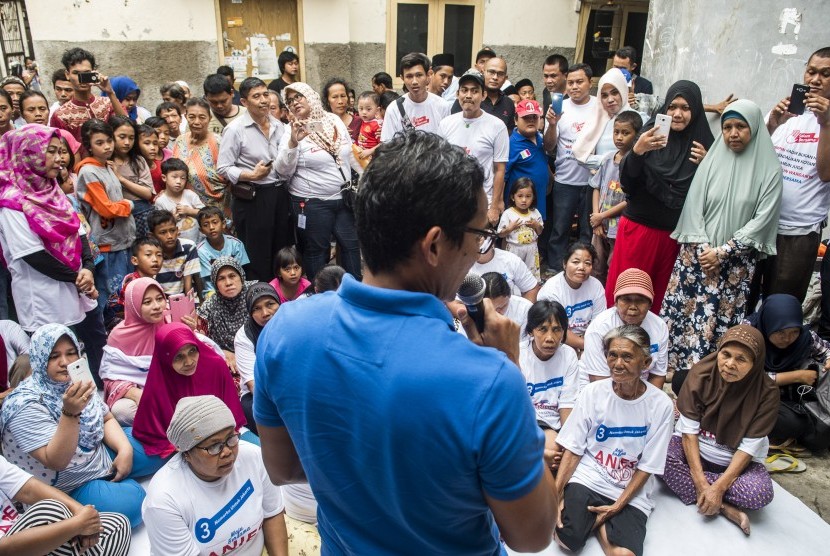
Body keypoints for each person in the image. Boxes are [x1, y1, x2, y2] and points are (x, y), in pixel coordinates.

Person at [254, 131, 557, 554]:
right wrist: (509, 363)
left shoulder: (284, 332)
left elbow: (283, 468)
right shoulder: (489, 382)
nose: (478, 250)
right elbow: (533, 535)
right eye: (479, 235)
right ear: (434, 244)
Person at [662, 99, 783, 379]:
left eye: (741, 126)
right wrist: (706, 250)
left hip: (734, 266)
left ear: (754, 128)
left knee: (719, 319)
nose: (733, 133)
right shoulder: (713, 161)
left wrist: (724, 252)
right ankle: (676, 374)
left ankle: (709, 376)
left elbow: (762, 219)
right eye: (727, 127)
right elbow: (694, 207)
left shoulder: (770, 170)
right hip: (697, 258)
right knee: (686, 314)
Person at [0, 324, 163, 527]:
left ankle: (111, 479)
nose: (65, 362)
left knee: (159, 445)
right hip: (67, 485)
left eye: (71, 353)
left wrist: (124, 450)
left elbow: (106, 418)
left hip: (96, 454)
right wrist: (70, 412)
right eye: (53, 356)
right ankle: (104, 489)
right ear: (39, 358)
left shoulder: (75, 379)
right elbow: (56, 460)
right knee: (136, 503)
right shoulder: (22, 406)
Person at [0, 125, 107, 381]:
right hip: (44, 296)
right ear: (28, 154)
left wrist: (88, 269)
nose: (60, 158)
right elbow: (32, 255)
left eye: (62, 152)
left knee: (87, 347)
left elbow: (79, 230)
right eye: (51, 151)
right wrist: (78, 277)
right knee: (55, 359)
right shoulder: (12, 202)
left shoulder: (53, 189)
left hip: (77, 286)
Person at [555, 324, 673, 556]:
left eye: (627, 356)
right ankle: (594, 521)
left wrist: (617, 506)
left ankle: (598, 523)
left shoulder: (661, 405)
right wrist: (555, 495)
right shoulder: (593, 392)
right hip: (590, 477)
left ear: (646, 363)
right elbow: (574, 448)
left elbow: (647, 465)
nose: (618, 364)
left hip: (628, 487)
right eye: (613, 355)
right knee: (567, 540)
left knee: (625, 555)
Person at [605, 80, 714, 312]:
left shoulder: (704, 145)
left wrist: (709, 165)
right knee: (627, 294)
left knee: (659, 298)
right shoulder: (649, 134)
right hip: (638, 231)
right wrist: (637, 152)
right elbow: (627, 183)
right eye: (672, 107)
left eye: (685, 108)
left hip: (675, 238)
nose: (677, 114)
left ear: (695, 111)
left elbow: (713, 195)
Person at [663, 325, 778, 536]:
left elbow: (747, 450)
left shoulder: (767, 394)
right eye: (725, 354)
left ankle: (712, 496)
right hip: (694, 454)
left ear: (755, 363)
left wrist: (719, 487)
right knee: (659, 459)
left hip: (735, 464)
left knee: (759, 494)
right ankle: (725, 508)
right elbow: (688, 434)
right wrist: (699, 480)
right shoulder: (701, 375)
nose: (730, 364)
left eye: (741, 359)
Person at [143, 395, 288, 555]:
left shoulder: (252, 456)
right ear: (187, 453)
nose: (227, 451)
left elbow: (272, 515)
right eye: (213, 446)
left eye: (231, 438)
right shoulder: (164, 500)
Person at [758, 46, 830, 303]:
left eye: (825, 73)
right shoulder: (788, 110)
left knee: (780, 306)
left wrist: (826, 122)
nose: (815, 80)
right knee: (746, 297)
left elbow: (825, 173)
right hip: (760, 224)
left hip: (798, 233)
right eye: (811, 71)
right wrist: (772, 124)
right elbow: (753, 160)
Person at [278, 82, 362, 281]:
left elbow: (349, 153)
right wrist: (293, 142)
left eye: (299, 96)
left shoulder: (333, 120)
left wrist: (367, 177)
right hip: (312, 203)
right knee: (317, 250)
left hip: (343, 198)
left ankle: (354, 292)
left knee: (351, 244)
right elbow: (282, 171)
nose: (295, 102)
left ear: (311, 96)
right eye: (290, 101)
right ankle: (320, 295)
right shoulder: (290, 131)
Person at [132, 323, 249, 458]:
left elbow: (232, 413)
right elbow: (150, 432)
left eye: (192, 351)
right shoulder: (159, 383)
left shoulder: (215, 366)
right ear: (165, 357)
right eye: (179, 357)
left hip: (223, 435)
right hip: (180, 447)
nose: (189, 362)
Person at [218, 77, 290, 282]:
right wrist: (251, 175)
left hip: (279, 193)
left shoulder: (279, 126)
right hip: (253, 197)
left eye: (265, 94)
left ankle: (280, 295)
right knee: (257, 252)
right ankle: (259, 297)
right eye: (256, 96)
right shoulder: (235, 129)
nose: (263, 100)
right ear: (244, 102)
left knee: (280, 248)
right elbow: (223, 167)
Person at [0, 452, 131, 555]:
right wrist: (77, 526)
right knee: (50, 511)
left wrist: (83, 515)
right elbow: (4, 550)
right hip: (12, 546)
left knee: (118, 523)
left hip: (24, 532)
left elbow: (29, 489)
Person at [747, 294, 830, 452]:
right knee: (792, 424)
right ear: (769, 324)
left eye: (793, 332)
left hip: (786, 400)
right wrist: (797, 376)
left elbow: (826, 350)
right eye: (780, 332)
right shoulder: (750, 334)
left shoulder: (805, 337)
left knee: (813, 428)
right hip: (750, 396)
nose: (787, 339)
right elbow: (746, 377)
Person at [75, 118, 136, 323]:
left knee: (122, 290)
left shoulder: (106, 167)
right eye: (99, 143)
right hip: (107, 243)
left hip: (121, 239)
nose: (107, 146)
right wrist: (128, 205)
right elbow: (106, 209)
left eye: (109, 140)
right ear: (89, 146)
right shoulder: (89, 171)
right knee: (107, 293)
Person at [438, 69, 509, 225]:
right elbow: (441, 165)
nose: (468, 95)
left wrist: (495, 206)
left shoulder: (497, 126)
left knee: (480, 246)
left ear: (483, 95)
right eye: (464, 90)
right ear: (458, 94)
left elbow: (500, 169)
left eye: (474, 91)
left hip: (483, 200)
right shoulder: (446, 124)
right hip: (453, 200)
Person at [546, 63, 598, 273]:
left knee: (588, 231)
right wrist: (551, 124)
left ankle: (586, 270)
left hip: (592, 181)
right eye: (571, 83)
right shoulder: (560, 108)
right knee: (560, 229)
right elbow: (548, 146)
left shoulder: (599, 106)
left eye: (580, 82)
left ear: (590, 83)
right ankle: (555, 269)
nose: (575, 86)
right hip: (565, 180)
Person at [581, 268, 668, 391]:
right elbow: (599, 380)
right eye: (626, 300)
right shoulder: (600, 327)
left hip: (641, 388)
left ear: (650, 304)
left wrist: (648, 402)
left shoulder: (659, 326)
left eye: (640, 300)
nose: (633, 307)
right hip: (602, 388)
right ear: (616, 302)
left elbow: (658, 375)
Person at [100, 277, 166, 426]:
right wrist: (134, 393)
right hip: (138, 390)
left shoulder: (169, 320)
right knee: (122, 411)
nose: (156, 306)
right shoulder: (118, 336)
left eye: (159, 299)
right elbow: (110, 377)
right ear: (133, 305)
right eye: (147, 302)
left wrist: (189, 330)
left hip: (172, 386)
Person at [520, 300, 578, 466]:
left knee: (562, 449)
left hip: (554, 423)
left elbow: (567, 404)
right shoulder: (518, 354)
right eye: (542, 330)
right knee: (552, 447)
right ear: (531, 331)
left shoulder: (569, 355)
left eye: (557, 330)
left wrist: (568, 443)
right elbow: (515, 407)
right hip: (527, 421)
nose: (550, 338)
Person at [589, 111, 642, 283]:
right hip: (600, 226)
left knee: (615, 267)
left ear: (637, 135)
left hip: (619, 228)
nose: (619, 137)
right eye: (616, 132)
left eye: (625, 133)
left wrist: (601, 216)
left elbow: (630, 200)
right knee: (595, 265)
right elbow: (596, 188)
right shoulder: (606, 160)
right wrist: (596, 217)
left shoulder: (635, 165)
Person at [538, 243, 606, 352]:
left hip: (590, 339)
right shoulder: (551, 290)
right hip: (558, 339)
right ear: (565, 264)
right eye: (575, 262)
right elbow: (554, 329)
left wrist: (591, 343)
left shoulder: (596, 286)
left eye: (587, 263)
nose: (581, 267)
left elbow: (599, 323)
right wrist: (588, 345)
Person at [50, 47, 125, 142]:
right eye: (76, 73)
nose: (81, 78)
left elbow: (126, 125)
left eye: (86, 73)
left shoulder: (107, 104)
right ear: (67, 75)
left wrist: (110, 92)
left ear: (94, 73)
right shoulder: (60, 116)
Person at [234, 282, 280, 433]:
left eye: (270, 304)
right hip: (260, 394)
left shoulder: (292, 324)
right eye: (257, 308)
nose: (265, 313)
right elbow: (254, 385)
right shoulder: (244, 336)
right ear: (250, 312)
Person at [573, 67, 640, 169]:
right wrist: (611, 160)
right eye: (604, 95)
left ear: (623, 90)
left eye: (614, 93)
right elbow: (581, 157)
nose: (610, 100)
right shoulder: (598, 120)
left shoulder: (640, 119)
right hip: (598, 183)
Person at [172, 97, 229, 216]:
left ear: (209, 118)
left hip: (214, 212)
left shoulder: (219, 143)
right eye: (192, 117)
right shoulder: (180, 141)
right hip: (184, 210)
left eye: (202, 117)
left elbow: (230, 179)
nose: (196, 122)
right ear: (186, 116)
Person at [197, 257, 257, 367]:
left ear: (241, 277)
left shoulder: (256, 295)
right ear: (215, 283)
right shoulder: (209, 307)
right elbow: (201, 342)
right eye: (221, 278)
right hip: (226, 362)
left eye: (232, 276)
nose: (228, 283)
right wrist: (221, 352)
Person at [505, 99, 556, 222]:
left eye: (534, 117)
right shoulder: (511, 144)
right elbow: (502, 176)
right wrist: (498, 204)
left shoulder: (539, 138)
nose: (531, 120)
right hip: (519, 208)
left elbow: (547, 152)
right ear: (516, 120)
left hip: (538, 203)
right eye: (526, 117)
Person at [381, 53, 450, 140]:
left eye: (419, 75)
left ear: (428, 75)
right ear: (402, 78)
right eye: (409, 76)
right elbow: (387, 144)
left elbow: (447, 143)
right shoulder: (394, 109)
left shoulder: (443, 106)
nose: (414, 81)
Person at [108, 115, 154, 238]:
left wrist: (121, 178)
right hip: (118, 216)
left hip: (143, 214)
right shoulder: (106, 162)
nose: (127, 142)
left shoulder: (138, 161)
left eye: (131, 138)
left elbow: (147, 193)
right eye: (122, 137)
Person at [451, 57, 516, 132]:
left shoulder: (508, 103)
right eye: (491, 72)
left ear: (505, 78)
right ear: (483, 72)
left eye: (500, 74)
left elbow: (509, 132)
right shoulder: (467, 99)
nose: (495, 77)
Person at [195, 206, 250, 294]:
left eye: (215, 222)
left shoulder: (236, 244)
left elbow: (241, 272)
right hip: (213, 291)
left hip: (237, 286)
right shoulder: (200, 251)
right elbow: (208, 280)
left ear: (223, 223)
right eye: (206, 225)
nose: (211, 227)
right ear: (201, 230)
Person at [498, 177, 544, 280]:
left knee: (531, 276)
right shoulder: (508, 214)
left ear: (533, 198)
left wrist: (536, 225)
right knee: (513, 274)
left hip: (531, 250)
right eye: (520, 196)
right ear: (513, 197)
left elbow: (540, 232)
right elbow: (500, 234)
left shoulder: (535, 213)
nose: (524, 200)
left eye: (528, 196)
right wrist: (510, 228)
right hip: (514, 249)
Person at [148, 210, 200, 296]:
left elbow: (188, 282)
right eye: (163, 232)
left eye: (172, 230)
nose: (169, 236)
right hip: (161, 300)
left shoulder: (188, 247)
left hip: (186, 297)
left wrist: (188, 305)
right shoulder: (149, 254)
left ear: (177, 230)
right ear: (152, 236)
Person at [153, 158, 205, 243]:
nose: (179, 181)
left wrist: (189, 211)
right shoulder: (160, 201)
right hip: (177, 244)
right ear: (164, 177)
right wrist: (172, 219)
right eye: (174, 177)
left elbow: (205, 213)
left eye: (183, 178)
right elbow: (160, 226)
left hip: (199, 241)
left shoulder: (190, 195)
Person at [473, 242, 540, 301]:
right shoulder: (463, 266)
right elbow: (462, 303)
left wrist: (523, 311)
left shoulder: (510, 260)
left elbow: (531, 289)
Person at [481, 271, 532, 336]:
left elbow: (528, 342)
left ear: (509, 296)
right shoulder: (472, 313)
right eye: (491, 309)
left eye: (502, 307)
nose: (497, 313)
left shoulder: (525, 309)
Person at [118, 236, 162, 310]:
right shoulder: (132, 283)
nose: (155, 259)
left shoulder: (152, 280)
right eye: (148, 255)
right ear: (135, 260)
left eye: (159, 255)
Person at [322, 77, 361, 142]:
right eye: (335, 97)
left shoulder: (360, 122)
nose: (340, 101)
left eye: (343, 96)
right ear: (327, 101)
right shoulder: (323, 124)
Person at [354, 90, 383, 165]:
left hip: (374, 160)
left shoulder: (377, 125)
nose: (364, 112)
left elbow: (383, 144)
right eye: (361, 108)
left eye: (368, 109)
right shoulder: (363, 121)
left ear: (377, 110)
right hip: (363, 157)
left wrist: (370, 151)